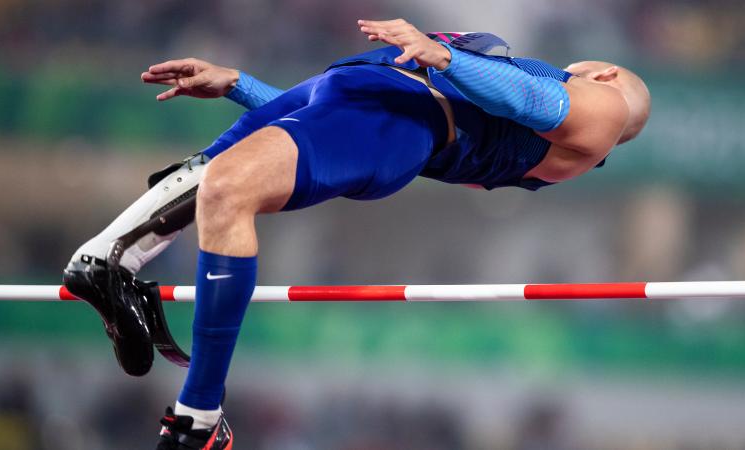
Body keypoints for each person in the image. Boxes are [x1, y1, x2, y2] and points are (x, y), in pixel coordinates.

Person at [63, 18, 651, 450]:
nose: (581, 72)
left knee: (225, 190)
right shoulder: (514, 134)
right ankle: (104, 263)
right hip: (351, 96)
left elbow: (528, 98)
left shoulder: (608, 106)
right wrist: (240, 83)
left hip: (391, 111)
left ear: (607, 75)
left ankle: (198, 415)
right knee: (212, 176)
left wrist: (442, 58)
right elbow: (331, 134)